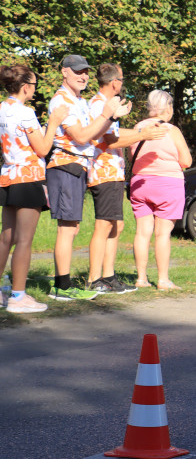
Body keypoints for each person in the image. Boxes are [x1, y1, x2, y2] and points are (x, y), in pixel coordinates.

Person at [47, 54, 126, 301]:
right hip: (65, 164)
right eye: (78, 71)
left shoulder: (79, 101)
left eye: (86, 72)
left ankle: (65, 284)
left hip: (78, 166)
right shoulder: (61, 101)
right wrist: (106, 115)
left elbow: (93, 136)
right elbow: (81, 137)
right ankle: (62, 286)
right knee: (67, 228)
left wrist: (111, 117)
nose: (84, 76)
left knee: (73, 227)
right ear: (65, 72)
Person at [86, 63, 167, 294]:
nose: (122, 83)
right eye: (121, 79)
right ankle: (94, 279)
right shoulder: (100, 105)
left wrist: (144, 133)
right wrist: (144, 134)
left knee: (116, 225)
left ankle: (108, 277)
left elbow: (115, 134)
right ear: (114, 83)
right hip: (104, 171)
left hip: (112, 172)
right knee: (104, 225)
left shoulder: (108, 105)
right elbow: (110, 142)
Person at [0, 65, 69, 313]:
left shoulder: (1, 109)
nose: (35, 90)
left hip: (8, 176)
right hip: (28, 177)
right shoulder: (26, 113)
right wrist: (53, 123)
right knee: (25, 240)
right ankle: (18, 297)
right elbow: (41, 148)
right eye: (34, 86)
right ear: (26, 87)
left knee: (6, 237)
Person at [129, 90, 192, 290]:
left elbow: (133, 157)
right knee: (162, 234)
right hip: (167, 184)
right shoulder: (171, 130)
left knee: (142, 232)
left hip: (140, 184)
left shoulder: (138, 128)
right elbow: (187, 161)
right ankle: (163, 280)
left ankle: (141, 278)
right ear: (168, 109)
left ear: (149, 108)